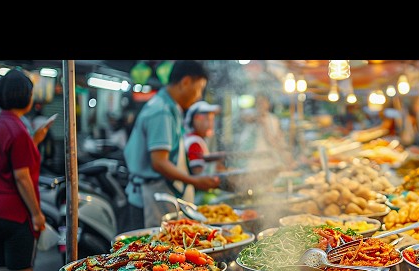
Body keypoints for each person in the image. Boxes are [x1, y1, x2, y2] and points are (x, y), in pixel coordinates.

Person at [123, 60, 220, 230]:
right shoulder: (162, 111)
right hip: (149, 200)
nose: (198, 96)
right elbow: (159, 162)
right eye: (198, 89)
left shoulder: (169, 107)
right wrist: (195, 181)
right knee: (150, 252)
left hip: (156, 195)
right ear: (186, 82)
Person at [0, 68, 51, 271]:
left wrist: (34, 141)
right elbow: (21, 176)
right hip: (15, 215)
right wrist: (36, 214)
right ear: (24, 96)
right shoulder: (18, 130)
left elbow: (4, 162)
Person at [238, 93, 295, 170]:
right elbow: (244, 117)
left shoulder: (274, 119)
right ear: (255, 103)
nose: (261, 104)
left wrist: (286, 156)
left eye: (263, 102)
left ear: (268, 104)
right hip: (252, 159)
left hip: (269, 159)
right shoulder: (250, 114)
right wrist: (256, 118)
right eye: (259, 102)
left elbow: (278, 139)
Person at [184, 100, 224, 176]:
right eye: (207, 119)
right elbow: (198, 175)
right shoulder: (194, 142)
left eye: (212, 120)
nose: (211, 124)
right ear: (196, 120)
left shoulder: (195, 140)